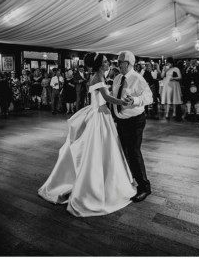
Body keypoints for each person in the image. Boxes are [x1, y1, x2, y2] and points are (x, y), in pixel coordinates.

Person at [38, 52, 136, 216]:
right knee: (98, 150)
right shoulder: (97, 78)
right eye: (105, 61)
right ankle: (93, 188)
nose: (108, 63)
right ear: (99, 65)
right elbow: (107, 97)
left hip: (100, 114)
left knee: (104, 149)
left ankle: (102, 181)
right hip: (99, 115)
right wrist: (123, 102)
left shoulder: (99, 76)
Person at [111, 51, 154, 202]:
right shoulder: (117, 78)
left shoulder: (138, 78)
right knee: (123, 152)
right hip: (121, 121)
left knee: (134, 152)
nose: (117, 64)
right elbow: (113, 96)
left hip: (135, 121)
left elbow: (149, 97)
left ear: (128, 63)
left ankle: (144, 187)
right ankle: (128, 182)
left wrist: (135, 100)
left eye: (120, 62)